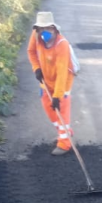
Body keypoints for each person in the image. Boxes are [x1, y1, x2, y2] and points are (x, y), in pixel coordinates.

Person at [27, 12, 75, 156]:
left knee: (61, 110)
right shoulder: (36, 36)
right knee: (48, 108)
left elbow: (62, 72)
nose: (44, 32)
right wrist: (36, 68)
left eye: (47, 28)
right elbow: (31, 51)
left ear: (54, 28)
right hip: (45, 79)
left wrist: (57, 96)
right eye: (41, 29)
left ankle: (64, 144)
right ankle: (64, 132)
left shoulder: (62, 45)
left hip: (62, 82)